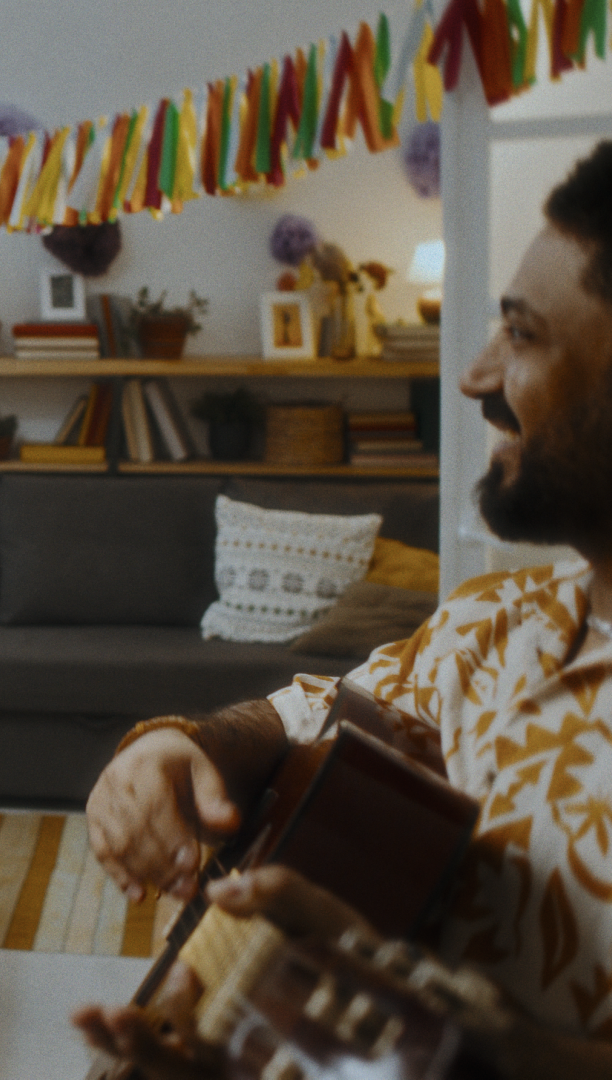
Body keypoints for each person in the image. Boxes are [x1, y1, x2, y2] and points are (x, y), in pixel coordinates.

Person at [76, 141, 612, 1078]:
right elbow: (322, 715)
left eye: (523, 336)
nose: (475, 378)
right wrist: (185, 748)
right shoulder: (501, 617)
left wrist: (487, 1056)